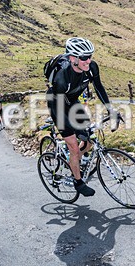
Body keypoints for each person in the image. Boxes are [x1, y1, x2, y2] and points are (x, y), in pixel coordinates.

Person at [47, 37, 115, 197]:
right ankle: (77, 181)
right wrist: (76, 132)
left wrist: (110, 110)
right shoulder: (62, 76)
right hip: (57, 104)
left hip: (73, 101)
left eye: (90, 56)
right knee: (74, 147)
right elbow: (61, 106)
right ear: (73, 58)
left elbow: (99, 88)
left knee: (89, 139)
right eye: (84, 57)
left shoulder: (91, 67)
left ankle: (77, 160)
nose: (88, 60)